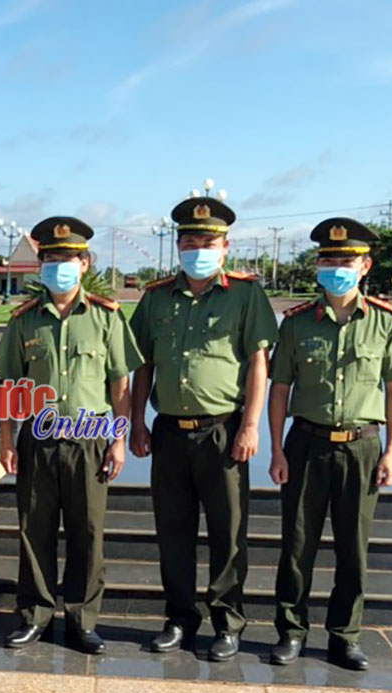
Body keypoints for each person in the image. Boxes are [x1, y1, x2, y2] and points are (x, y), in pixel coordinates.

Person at [129, 197, 278, 661]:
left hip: (223, 431)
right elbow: (143, 365)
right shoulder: (155, 298)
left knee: (227, 532)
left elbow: (258, 362)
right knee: (172, 530)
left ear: (225, 246)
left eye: (207, 242)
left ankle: (227, 623)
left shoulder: (245, 295)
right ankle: (179, 618)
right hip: (170, 431)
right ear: (177, 246)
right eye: (190, 242)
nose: (198, 249)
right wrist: (137, 421)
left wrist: (251, 425)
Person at [0, 216, 142, 654]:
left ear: (85, 262)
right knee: (33, 531)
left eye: (67, 259)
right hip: (37, 440)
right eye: (51, 259)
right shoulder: (25, 322)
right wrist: (5, 438)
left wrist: (117, 438)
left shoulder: (107, 318)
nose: (59, 266)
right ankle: (34, 615)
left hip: (89, 441)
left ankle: (82, 618)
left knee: (88, 532)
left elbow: (120, 385)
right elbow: (8, 387)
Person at [268, 218, 392, 671]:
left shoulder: (385, 323)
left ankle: (344, 635)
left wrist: (391, 451)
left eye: (346, 260)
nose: (336, 267)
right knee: (297, 545)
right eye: (328, 260)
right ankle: (291, 631)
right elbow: (280, 390)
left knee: (353, 546)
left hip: (362, 445)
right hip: (306, 443)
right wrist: (276, 450)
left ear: (365, 265)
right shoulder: (295, 324)